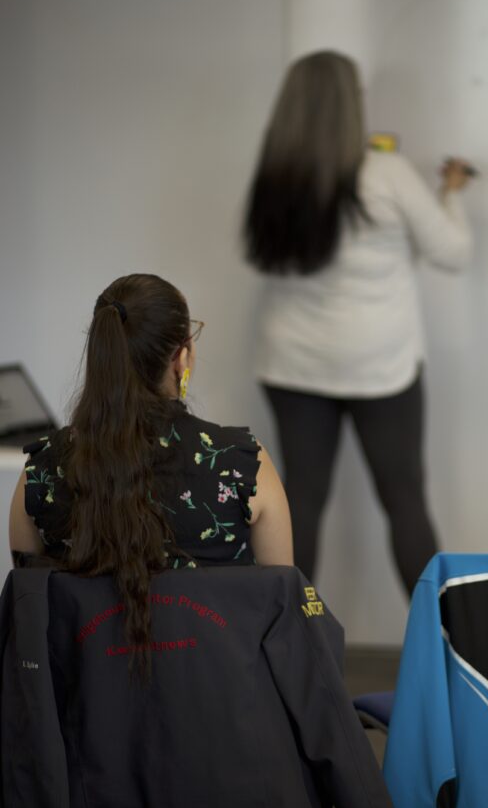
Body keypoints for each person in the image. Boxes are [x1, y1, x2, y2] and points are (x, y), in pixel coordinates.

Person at [244, 50, 474, 594]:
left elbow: (262, 257)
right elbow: (453, 252)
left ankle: (287, 657)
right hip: (380, 365)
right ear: (352, 106)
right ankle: (440, 652)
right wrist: (453, 195)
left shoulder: (277, 171)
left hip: (292, 363)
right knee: (405, 500)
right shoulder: (387, 171)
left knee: (299, 501)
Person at [8, 272, 292, 673]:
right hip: (220, 716)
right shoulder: (243, 467)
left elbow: (32, 611)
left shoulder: (40, 474)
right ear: (181, 357)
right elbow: (282, 608)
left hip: (79, 724)